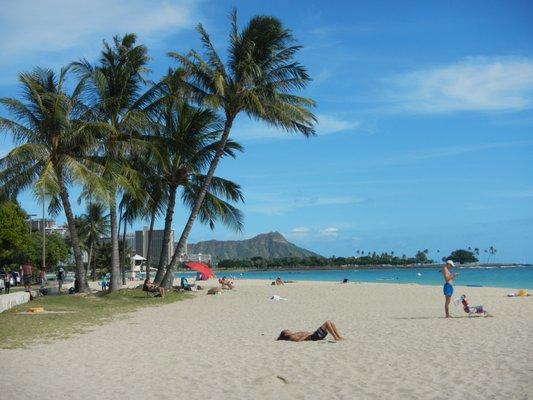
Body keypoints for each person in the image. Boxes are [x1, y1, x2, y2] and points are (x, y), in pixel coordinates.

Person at [277, 320, 344, 342]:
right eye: (287, 330)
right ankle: (336, 337)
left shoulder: (293, 334)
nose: (288, 330)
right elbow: (298, 340)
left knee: (330, 322)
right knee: (327, 322)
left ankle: (338, 336)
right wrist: (307, 335)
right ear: (286, 334)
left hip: (315, 335)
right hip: (314, 336)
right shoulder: (291, 337)